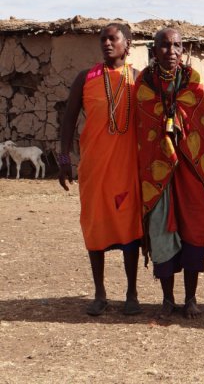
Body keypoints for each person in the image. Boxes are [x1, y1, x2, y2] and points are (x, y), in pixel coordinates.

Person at [135, 28, 204, 319]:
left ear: (183, 50)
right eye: (164, 46)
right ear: (154, 50)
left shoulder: (195, 85)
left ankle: (190, 298)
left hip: (192, 170)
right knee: (162, 233)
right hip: (158, 174)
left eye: (177, 45)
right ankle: (167, 299)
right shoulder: (143, 86)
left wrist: (178, 118)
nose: (171, 51)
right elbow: (143, 131)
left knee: (194, 230)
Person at [58, 22, 143, 316]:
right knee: (94, 225)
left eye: (113, 39)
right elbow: (68, 120)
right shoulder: (86, 78)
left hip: (127, 167)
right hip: (93, 168)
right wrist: (64, 159)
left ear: (127, 43)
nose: (107, 44)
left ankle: (132, 293)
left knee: (129, 227)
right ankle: (100, 293)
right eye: (103, 40)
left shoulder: (138, 79)